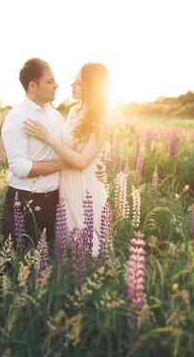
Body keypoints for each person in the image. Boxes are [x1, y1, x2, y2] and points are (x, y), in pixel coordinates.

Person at [0, 58, 104, 250]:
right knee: (13, 265)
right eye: (50, 81)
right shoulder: (17, 117)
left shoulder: (55, 116)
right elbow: (19, 168)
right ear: (33, 85)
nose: (57, 85)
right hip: (24, 201)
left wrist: (96, 163)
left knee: (52, 264)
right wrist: (67, 164)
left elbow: (78, 146)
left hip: (57, 199)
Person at [23, 62, 113, 256]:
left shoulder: (104, 118)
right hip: (65, 184)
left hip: (85, 186)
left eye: (78, 83)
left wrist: (47, 137)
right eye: (74, 81)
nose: (72, 85)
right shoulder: (73, 111)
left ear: (92, 87)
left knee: (88, 247)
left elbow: (81, 162)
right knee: (67, 247)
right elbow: (68, 149)